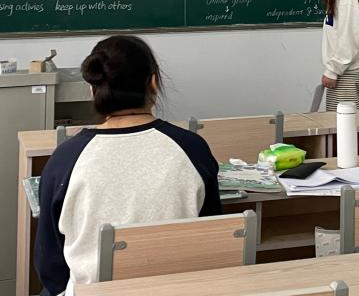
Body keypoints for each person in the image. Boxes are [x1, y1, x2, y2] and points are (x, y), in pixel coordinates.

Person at [35, 35, 220, 296]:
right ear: (153, 83)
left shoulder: (66, 158)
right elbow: (212, 237)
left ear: (92, 90)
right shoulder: (192, 148)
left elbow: (50, 268)